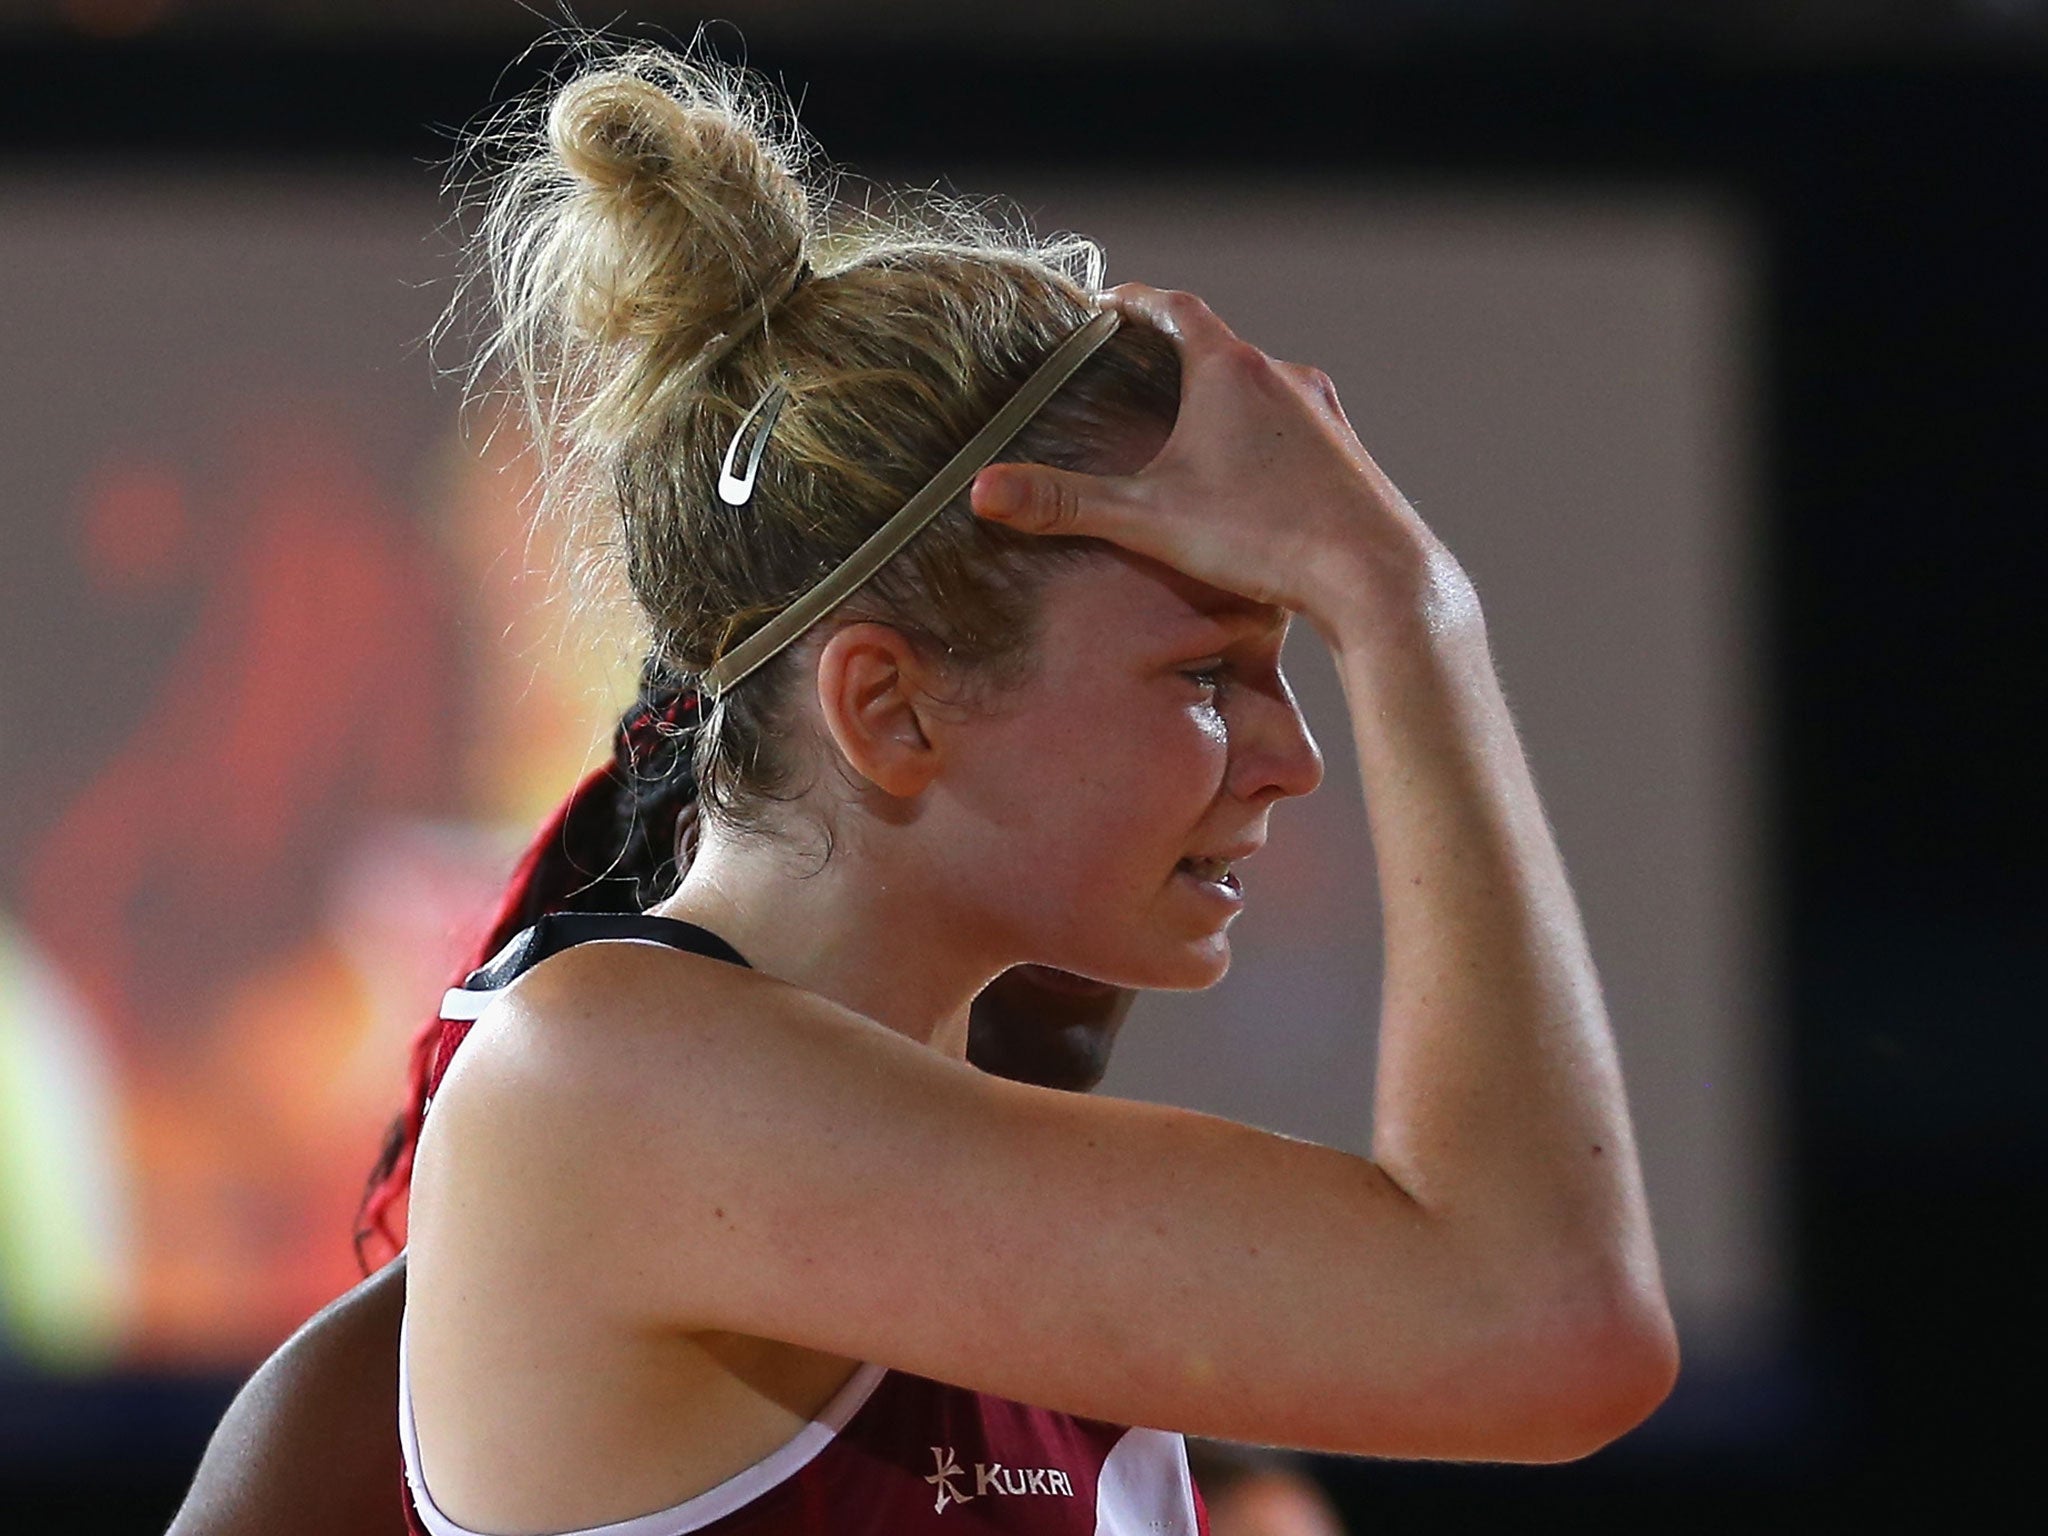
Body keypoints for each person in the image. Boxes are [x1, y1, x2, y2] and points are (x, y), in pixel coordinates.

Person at [220, 37, 1681, 1535]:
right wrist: (1408, 607)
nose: (1295, 757)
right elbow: (1546, 1326)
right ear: (890, 708)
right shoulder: (610, 1080)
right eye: (1205, 675)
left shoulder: (871, 1133)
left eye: (1285, 663)